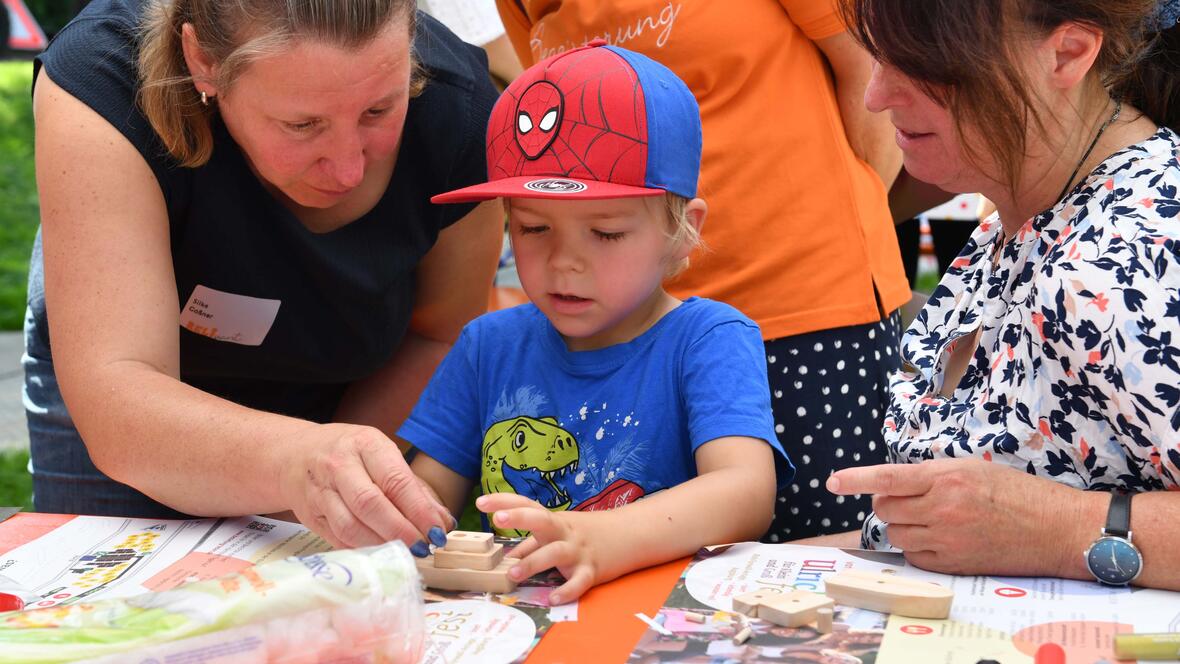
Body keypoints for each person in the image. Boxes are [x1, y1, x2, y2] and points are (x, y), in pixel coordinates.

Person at [26, 0, 504, 551]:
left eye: (379, 111)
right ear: (202, 59)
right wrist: (298, 464)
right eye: (302, 124)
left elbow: (436, 334)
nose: (349, 168)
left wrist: (329, 480)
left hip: (354, 392)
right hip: (137, 406)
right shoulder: (105, 77)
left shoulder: (460, 111)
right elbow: (117, 394)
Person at [492, 0, 910, 542]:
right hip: (635, 329)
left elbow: (871, 75)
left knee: (821, 574)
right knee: (645, 567)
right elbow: (561, 105)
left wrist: (850, 209)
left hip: (804, 311)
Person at [398, 42, 794, 603]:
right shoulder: (487, 345)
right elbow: (427, 492)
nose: (565, 261)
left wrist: (602, 539)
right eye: (533, 229)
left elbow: (747, 492)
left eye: (605, 232)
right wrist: (398, 521)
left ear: (682, 233)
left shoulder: (708, 340)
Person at [819, 0, 1180, 591]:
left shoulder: (1138, 251)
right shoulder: (1025, 208)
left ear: (1068, 53)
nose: (876, 95)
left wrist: (1060, 528)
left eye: (924, 64)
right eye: (880, 57)